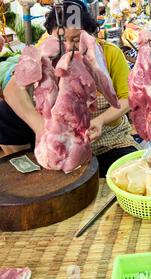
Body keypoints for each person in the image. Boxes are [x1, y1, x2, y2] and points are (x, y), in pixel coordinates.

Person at [0, 0, 138, 177]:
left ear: (90, 35)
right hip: (59, 135)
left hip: (106, 136)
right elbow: (13, 91)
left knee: (124, 171)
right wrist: (41, 128)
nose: (68, 46)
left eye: (76, 39)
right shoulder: (45, 53)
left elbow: (127, 98)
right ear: (49, 36)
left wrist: (101, 121)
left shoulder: (109, 53)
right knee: (4, 112)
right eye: (61, 39)